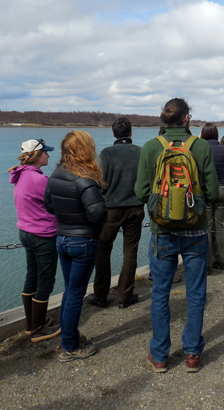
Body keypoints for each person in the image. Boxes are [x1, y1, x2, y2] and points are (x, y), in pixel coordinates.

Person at [135, 98, 219, 373]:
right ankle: (192, 354)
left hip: (162, 230)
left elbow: (140, 192)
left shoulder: (150, 147)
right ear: (186, 119)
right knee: (196, 292)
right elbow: (212, 191)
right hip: (195, 230)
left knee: (160, 292)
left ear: (164, 119)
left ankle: (159, 355)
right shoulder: (201, 146)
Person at [44, 131, 107, 363]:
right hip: (83, 241)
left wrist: (67, 217)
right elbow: (98, 212)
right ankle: (69, 346)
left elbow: (48, 204)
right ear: (85, 149)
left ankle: (70, 337)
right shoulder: (85, 178)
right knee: (74, 294)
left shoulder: (56, 173)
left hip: (62, 239)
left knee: (70, 291)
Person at [88, 117, 144, 310]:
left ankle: (100, 296)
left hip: (110, 209)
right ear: (131, 133)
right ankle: (125, 296)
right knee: (130, 251)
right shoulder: (140, 152)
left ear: (113, 134)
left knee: (103, 251)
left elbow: (99, 182)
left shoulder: (106, 153)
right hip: (135, 207)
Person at [8, 139, 60, 342]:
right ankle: (37, 328)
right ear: (37, 156)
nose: (48, 155)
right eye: (45, 152)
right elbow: (56, 203)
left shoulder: (20, 176)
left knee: (32, 275)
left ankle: (32, 323)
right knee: (46, 279)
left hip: (26, 231)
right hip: (43, 234)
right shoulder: (39, 180)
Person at [201, 123, 224, 271]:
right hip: (222, 189)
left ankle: (208, 262)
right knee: (219, 226)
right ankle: (221, 259)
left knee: (207, 227)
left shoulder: (202, 148)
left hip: (207, 190)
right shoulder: (223, 148)